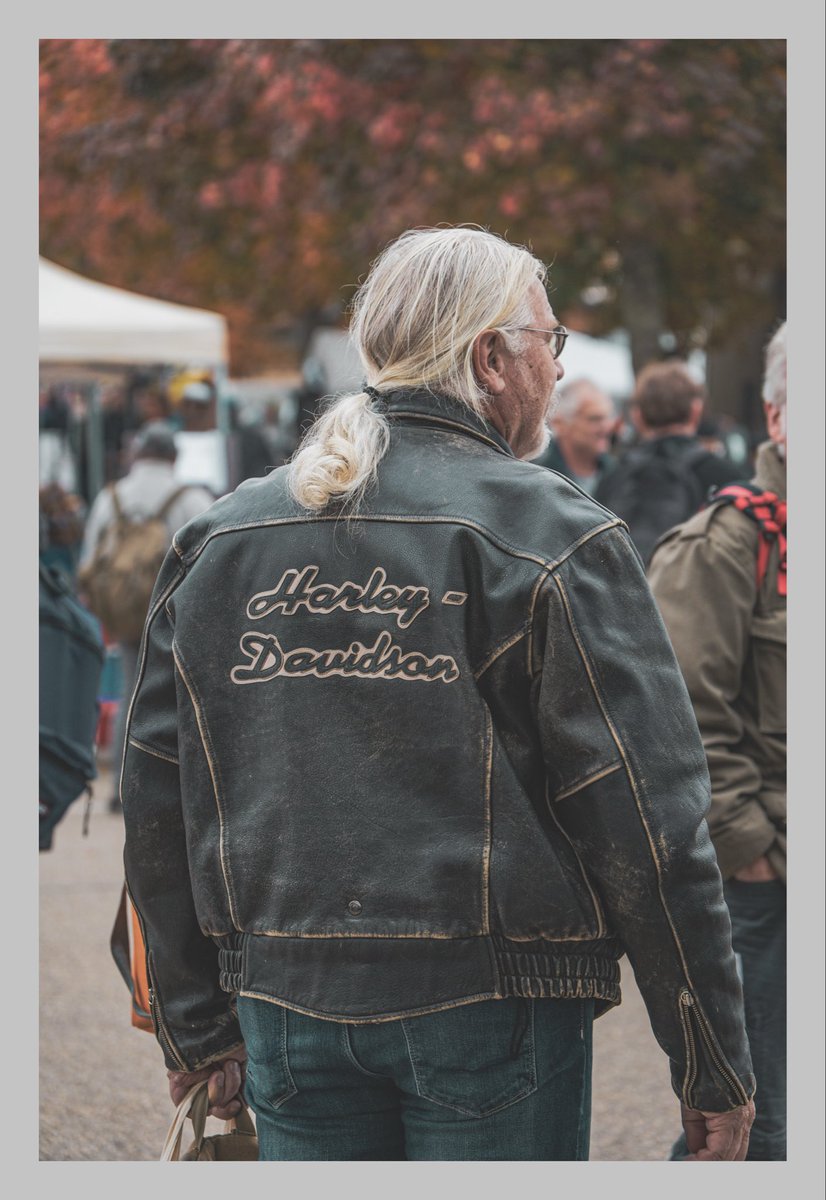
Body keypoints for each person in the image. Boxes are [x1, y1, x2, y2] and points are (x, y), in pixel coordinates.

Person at [121, 226, 754, 1162]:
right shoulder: (555, 534)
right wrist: (710, 1063)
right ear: (492, 359)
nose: (555, 363)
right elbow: (649, 827)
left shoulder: (223, 538)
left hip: (285, 1002)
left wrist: (196, 1022)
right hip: (491, 1008)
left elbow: (157, 796)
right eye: (552, 340)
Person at [648, 323, 787, 1160]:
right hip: (767, 894)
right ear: (777, 418)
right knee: (753, 1130)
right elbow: (675, 717)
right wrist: (752, 852)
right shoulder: (729, 545)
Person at [78, 422, 214, 810]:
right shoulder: (190, 497)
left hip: (124, 613)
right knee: (179, 695)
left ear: (137, 455)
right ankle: (172, 789)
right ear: (173, 456)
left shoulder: (111, 497)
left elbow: (89, 561)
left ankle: (122, 787)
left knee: (130, 691)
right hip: (175, 611)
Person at [594, 361, 742, 564]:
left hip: (628, 592)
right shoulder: (726, 478)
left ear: (638, 416)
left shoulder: (614, 476)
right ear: (696, 410)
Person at [530, 377, 616, 495]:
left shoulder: (619, 473)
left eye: (608, 418)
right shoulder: (536, 474)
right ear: (560, 424)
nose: (607, 427)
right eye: (594, 419)